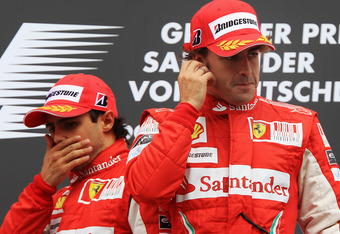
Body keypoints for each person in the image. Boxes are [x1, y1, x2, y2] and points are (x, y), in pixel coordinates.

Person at [124, 0, 340, 233]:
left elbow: (328, 221)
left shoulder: (299, 123)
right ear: (199, 62)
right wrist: (187, 110)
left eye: (253, 54)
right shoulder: (161, 123)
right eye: (231, 57)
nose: (246, 69)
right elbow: (147, 191)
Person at [0, 73, 171, 233]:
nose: (58, 137)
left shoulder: (137, 181)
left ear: (107, 121)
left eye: (69, 124)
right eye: (52, 128)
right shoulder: (52, 200)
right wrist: (42, 188)